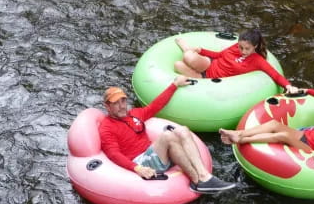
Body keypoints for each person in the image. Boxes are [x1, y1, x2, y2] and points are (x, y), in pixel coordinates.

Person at [99, 75, 235, 194]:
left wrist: (175, 84)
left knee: (183, 130)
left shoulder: (134, 113)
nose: (122, 106)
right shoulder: (106, 127)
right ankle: (197, 180)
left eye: (123, 101)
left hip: (154, 154)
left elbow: (155, 106)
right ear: (107, 106)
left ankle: (204, 176)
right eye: (115, 103)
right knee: (167, 136)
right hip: (140, 161)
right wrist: (137, 168)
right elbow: (113, 155)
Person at [219, 71, 314, 152]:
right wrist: (307, 90)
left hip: (313, 148)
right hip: (309, 136)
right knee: (274, 124)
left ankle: (242, 140)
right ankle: (239, 133)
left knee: (283, 135)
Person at [174, 29, 299, 93]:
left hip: (208, 79)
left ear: (255, 46)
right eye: (241, 47)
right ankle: (187, 49)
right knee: (189, 57)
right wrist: (201, 50)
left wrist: (288, 86)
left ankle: (187, 50)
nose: (243, 51)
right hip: (209, 64)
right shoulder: (236, 47)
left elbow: (275, 74)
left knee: (178, 65)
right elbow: (219, 55)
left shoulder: (258, 61)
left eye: (247, 48)